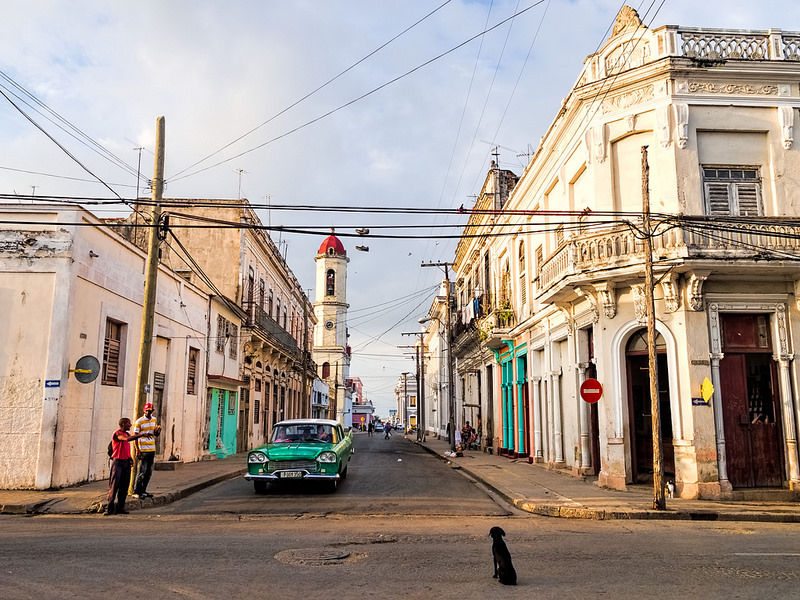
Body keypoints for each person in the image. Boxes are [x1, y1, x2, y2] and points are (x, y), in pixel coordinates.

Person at [105, 417, 148, 515]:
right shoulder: (117, 434)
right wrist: (140, 435)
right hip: (118, 463)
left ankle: (120, 507)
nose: (131, 425)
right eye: (129, 423)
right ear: (123, 424)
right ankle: (109, 508)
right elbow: (127, 439)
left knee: (124, 486)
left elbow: (126, 447)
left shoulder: (127, 434)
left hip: (125, 462)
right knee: (114, 485)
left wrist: (129, 458)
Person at [133, 402, 161, 499]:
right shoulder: (139, 421)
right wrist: (137, 450)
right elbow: (135, 436)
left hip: (152, 448)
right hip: (143, 449)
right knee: (142, 471)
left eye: (150, 410)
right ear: (144, 411)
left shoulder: (154, 420)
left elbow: (155, 434)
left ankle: (143, 490)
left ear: (152, 411)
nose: (148, 412)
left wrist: (158, 431)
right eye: (147, 410)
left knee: (148, 471)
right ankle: (137, 491)